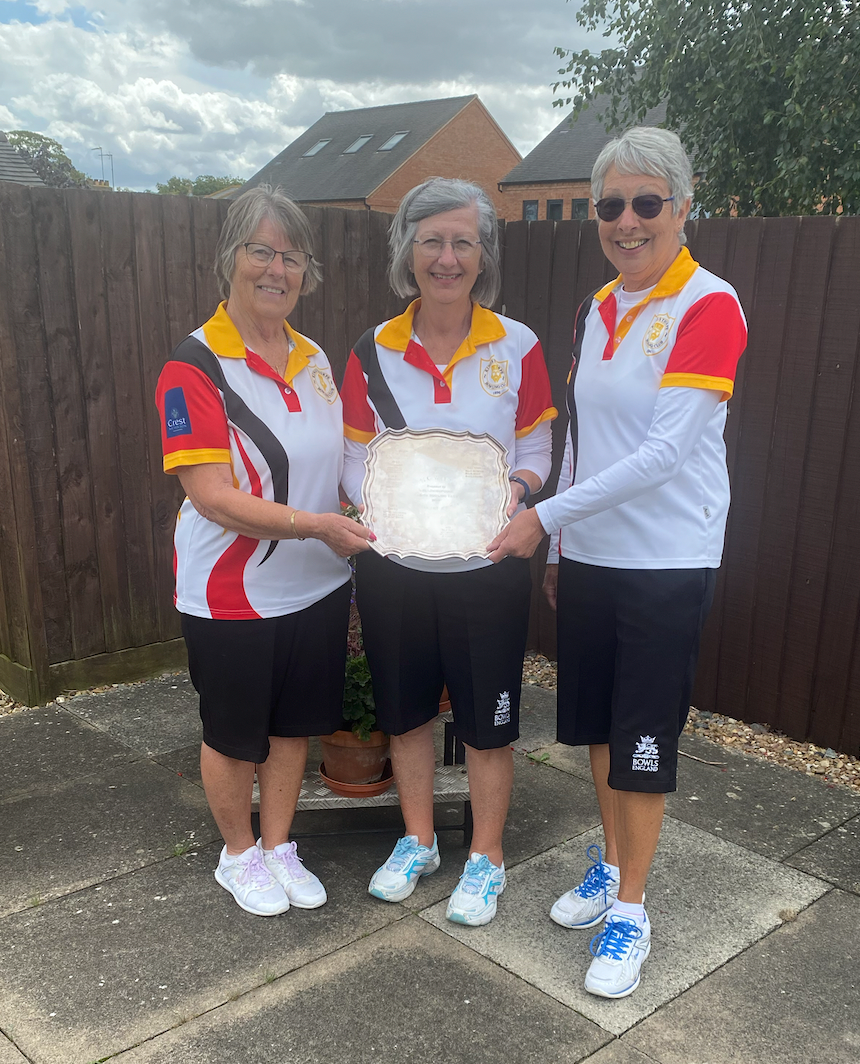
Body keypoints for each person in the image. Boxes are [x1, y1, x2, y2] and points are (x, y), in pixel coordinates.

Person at [488, 127, 747, 996]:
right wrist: (563, 546)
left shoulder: (710, 306)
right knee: (599, 729)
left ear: (682, 205)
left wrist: (540, 519)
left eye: (646, 202)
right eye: (610, 205)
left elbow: (664, 454)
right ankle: (610, 866)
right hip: (592, 556)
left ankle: (632, 912)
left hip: (665, 561)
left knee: (642, 738)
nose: (627, 221)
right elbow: (582, 441)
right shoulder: (596, 307)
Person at [340, 177, 556, 925]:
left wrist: (516, 491)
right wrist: (396, 510)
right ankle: (419, 840)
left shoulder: (518, 345)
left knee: (488, 721)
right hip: (395, 565)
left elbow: (537, 446)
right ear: (407, 250)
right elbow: (353, 454)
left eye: (463, 241)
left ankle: (486, 856)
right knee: (404, 715)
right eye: (430, 240)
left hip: (486, 566)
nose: (447, 257)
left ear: (483, 254)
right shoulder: (372, 350)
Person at [155, 185, 372, 917]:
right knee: (234, 733)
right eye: (262, 252)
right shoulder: (194, 366)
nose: (277, 269)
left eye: (292, 257)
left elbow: (341, 462)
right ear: (230, 259)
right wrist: (317, 526)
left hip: (316, 584)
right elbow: (212, 495)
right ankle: (238, 854)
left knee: (292, 726)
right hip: (232, 591)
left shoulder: (314, 358)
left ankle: (279, 844)